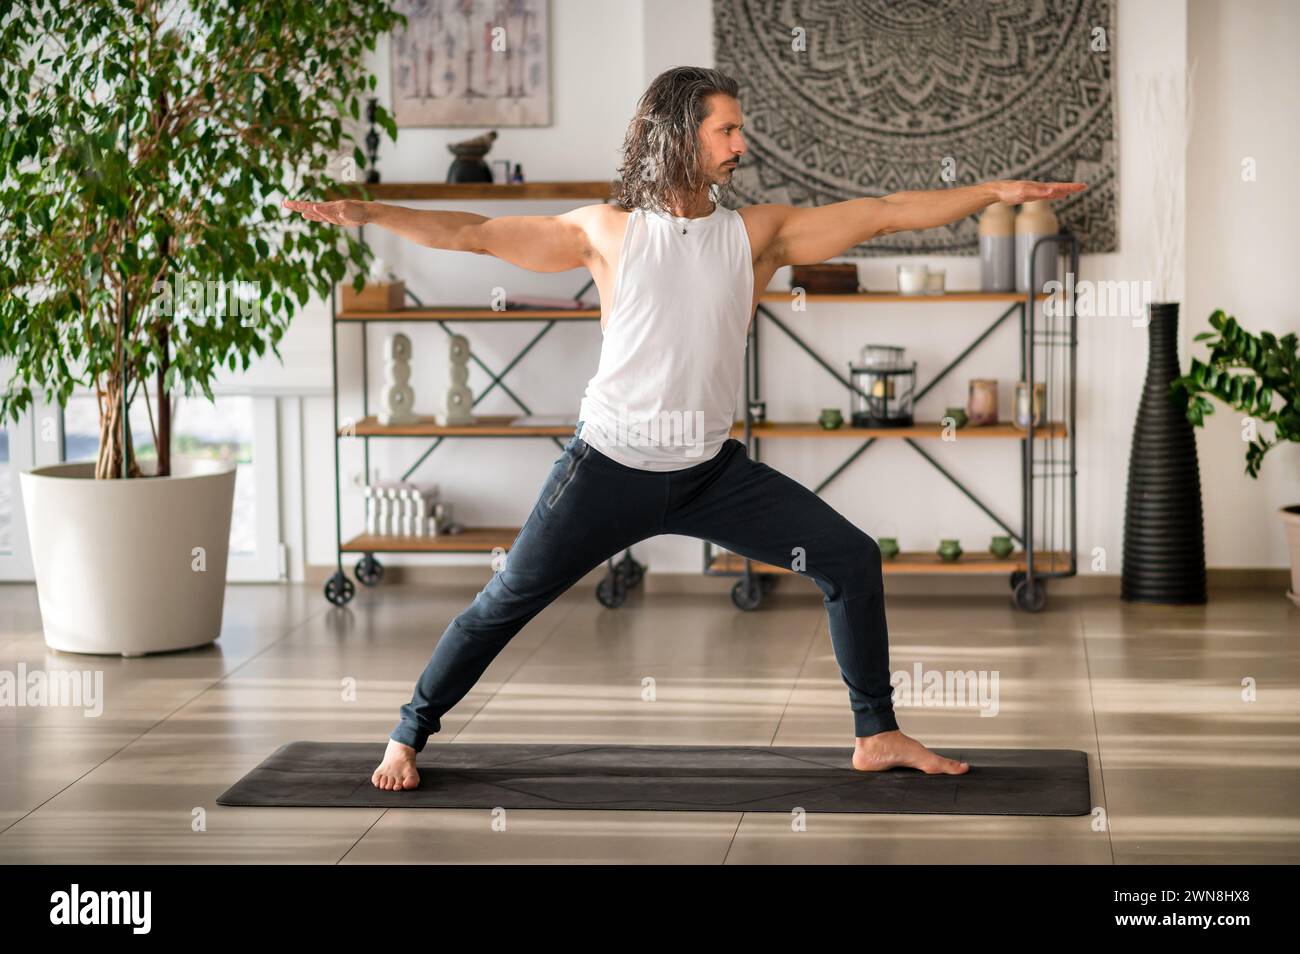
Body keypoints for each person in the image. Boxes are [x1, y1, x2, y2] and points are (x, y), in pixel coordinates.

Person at [283, 66, 1086, 792]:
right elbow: (474, 234)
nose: (742, 142)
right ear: (680, 136)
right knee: (505, 601)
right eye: (726, 130)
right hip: (604, 470)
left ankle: (876, 734)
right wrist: (369, 213)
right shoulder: (608, 231)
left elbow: (880, 215)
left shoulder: (756, 235)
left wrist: (992, 193)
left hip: (711, 475)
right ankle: (408, 733)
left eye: (740, 128)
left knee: (849, 557)